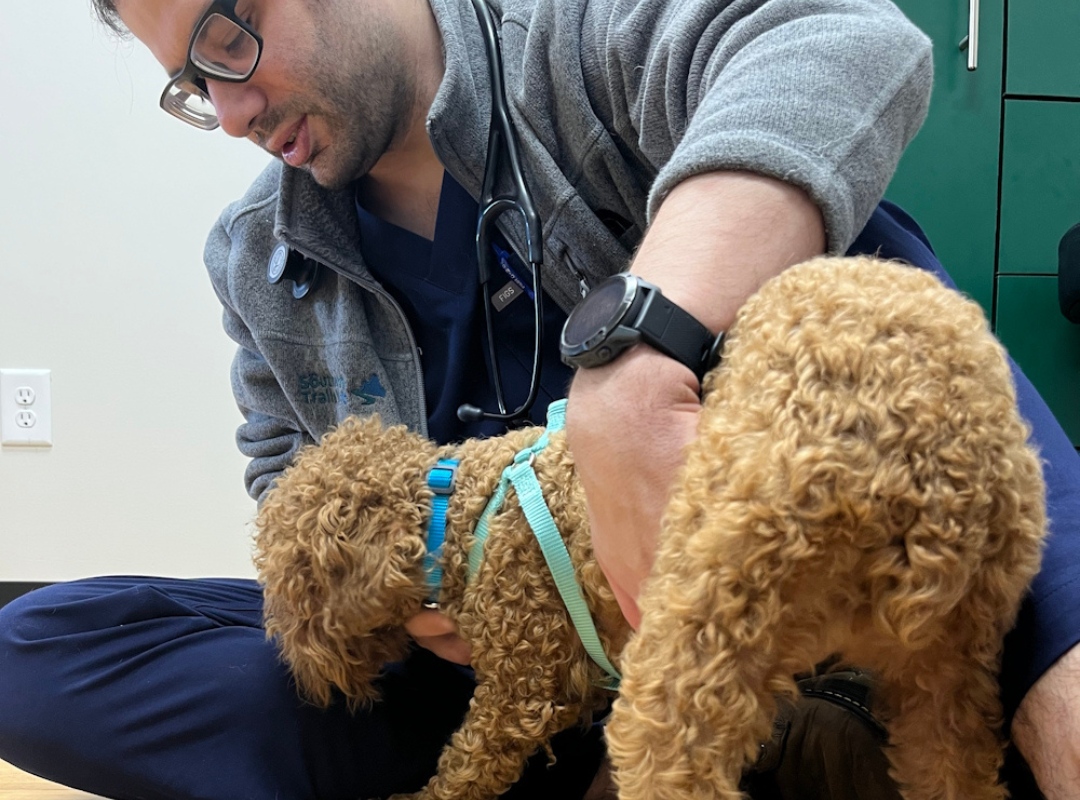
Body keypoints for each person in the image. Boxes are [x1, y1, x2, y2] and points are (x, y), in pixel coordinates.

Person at [0, 0, 1076, 798]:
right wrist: (413, 604)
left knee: (873, 279)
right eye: (191, 86)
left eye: (225, 38)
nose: (230, 110)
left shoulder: (571, 41)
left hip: (729, 590)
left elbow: (849, 39)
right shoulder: (253, 251)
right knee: (35, 645)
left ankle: (993, 672)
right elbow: (283, 474)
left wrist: (637, 361)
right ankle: (584, 745)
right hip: (474, 650)